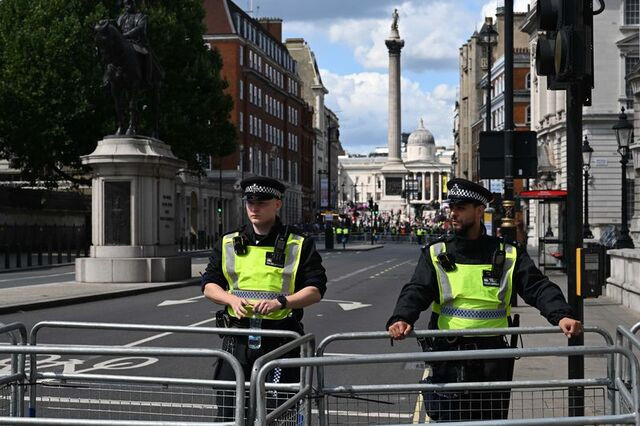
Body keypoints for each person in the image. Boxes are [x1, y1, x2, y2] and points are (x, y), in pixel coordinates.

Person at [387, 178, 582, 422]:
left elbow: (536, 286)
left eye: (461, 208)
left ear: (479, 211)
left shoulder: (507, 253)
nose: (453, 214)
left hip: (492, 355)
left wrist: (561, 314)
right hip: (449, 353)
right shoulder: (437, 253)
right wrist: (402, 317)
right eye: (452, 208)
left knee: (490, 420)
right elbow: (416, 290)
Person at [201, 176, 327, 420]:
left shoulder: (298, 243)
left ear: (277, 204)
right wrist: (230, 299)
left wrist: (282, 302)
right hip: (236, 340)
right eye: (250, 202)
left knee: (277, 411)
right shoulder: (229, 242)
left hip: (279, 340)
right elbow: (209, 284)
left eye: (262, 202)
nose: (254, 208)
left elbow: (316, 289)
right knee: (229, 409)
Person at [117, 0, 153, 83]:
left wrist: (126, 35)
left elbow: (140, 28)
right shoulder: (121, 18)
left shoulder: (141, 16)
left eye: (129, 4)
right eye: (126, 4)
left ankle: (147, 79)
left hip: (136, 42)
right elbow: (117, 29)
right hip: (123, 43)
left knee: (146, 54)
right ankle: (108, 79)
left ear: (134, 4)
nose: (127, 6)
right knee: (110, 55)